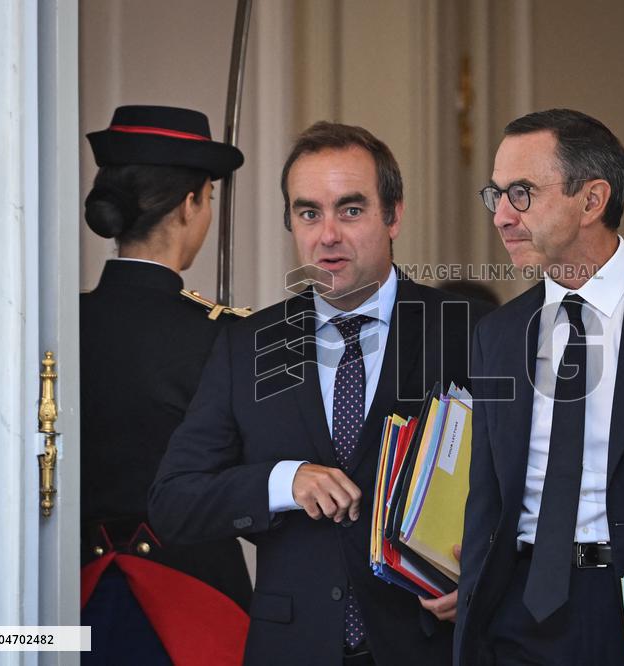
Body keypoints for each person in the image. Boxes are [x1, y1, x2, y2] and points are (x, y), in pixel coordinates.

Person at [148, 121, 492, 666]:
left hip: (427, 646)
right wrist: (284, 480)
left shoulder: (469, 329)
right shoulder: (249, 344)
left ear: (394, 214)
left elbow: (529, 492)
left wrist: (484, 574)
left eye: (350, 210)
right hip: (292, 648)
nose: (327, 234)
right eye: (309, 213)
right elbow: (173, 502)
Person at [454, 109, 624, 665]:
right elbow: (486, 500)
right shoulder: (496, 333)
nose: (501, 216)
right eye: (494, 194)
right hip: (517, 610)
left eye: (521, 193)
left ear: (592, 201)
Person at [80, 105, 253, 665]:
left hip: (65, 603)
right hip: (198, 612)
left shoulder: (53, 324)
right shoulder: (225, 335)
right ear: (190, 204)